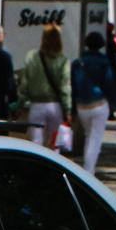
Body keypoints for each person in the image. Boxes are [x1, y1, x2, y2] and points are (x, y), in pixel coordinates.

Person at [17, 23, 71, 154]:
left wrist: (21, 102)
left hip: (36, 106)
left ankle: (37, 170)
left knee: (36, 142)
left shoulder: (32, 57)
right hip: (55, 106)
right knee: (55, 143)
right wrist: (68, 109)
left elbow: (24, 82)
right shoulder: (63, 60)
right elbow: (65, 88)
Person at [69, 30, 116, 173]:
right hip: (99, 103)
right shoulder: (104, 62)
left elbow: (73, 87)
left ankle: (88, 168)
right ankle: (89, 171)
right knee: (95, 139)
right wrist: (115, 105)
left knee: (88, 136)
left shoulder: (78, 63)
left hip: (82, 105)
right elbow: (109, 83)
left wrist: (72, 110)